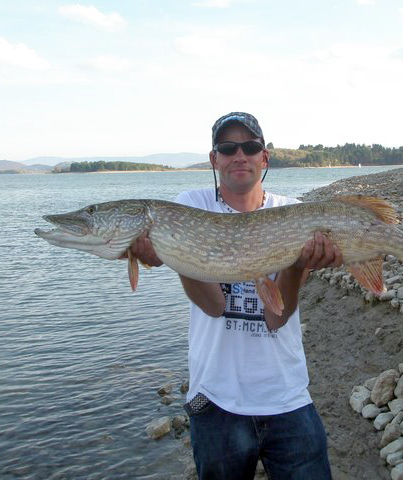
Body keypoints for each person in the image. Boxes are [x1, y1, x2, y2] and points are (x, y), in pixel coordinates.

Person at [129, 112, 342, 479]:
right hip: (216, 401)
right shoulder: (191, 205)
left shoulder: (290, 212)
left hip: (287, 398)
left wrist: (295, 265)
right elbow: (214, 306)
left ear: (265, 157)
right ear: (215, 159)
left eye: (250, 146)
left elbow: (277, 317)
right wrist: (176, 253)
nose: (239, 155)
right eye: (227, 148)